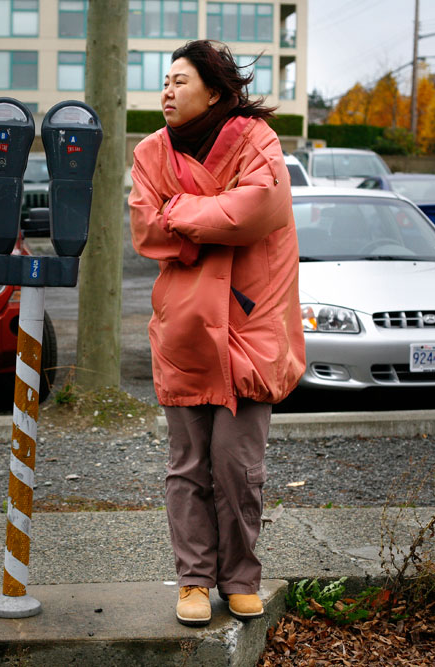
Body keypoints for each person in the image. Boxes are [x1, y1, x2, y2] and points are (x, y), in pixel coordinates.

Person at [128, 40, 305, 627]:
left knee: (236, 465)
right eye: (165, 82)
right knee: (188, 465)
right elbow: (145, 230)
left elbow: (259, 209)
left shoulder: (258, 140)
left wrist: (181, 211)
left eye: (180, 81)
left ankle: (241, 577)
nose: (167, 92)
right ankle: (194, 581)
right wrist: (213, 219)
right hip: (183, 328)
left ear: (215, 90)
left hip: (252, 328)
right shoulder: (152, 150)